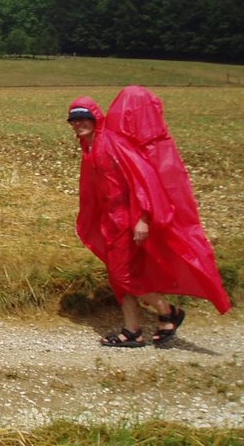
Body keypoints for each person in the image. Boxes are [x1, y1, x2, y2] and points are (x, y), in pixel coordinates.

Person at [68, 88, 231, 347]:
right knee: (119, 276)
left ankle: (168, 312)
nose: (78, 124)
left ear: (97, 118)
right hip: (111, 223)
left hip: (127, 222)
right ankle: (133, 331)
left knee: (124, 275)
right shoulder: (91, 147)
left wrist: (143, 218)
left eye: (83, 118)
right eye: (73, 120)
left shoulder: (112, 145)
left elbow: (143, 179)